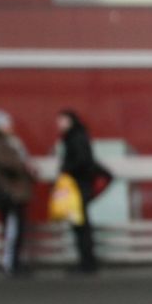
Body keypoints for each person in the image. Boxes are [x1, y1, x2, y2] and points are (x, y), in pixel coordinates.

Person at [55, 109, 108, 274]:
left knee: (80, 226)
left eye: (61, 120)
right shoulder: (78, 136)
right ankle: (87, 261)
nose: (58, 124)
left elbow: (81, 161)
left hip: (78, 188)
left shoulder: (74, 138)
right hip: (81, 186)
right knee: (81, 225)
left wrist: (65, 169)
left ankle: (87, 263)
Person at [0, 110, 34, 277]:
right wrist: (23, 166)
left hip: (15, 191)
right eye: (6, 123)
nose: (9, 126)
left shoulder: (5, 141)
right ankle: (11, 264)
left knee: (16, 228)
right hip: (10, 191)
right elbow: (6, 163)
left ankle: (13, 262)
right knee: (13, 229)